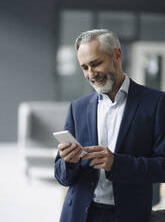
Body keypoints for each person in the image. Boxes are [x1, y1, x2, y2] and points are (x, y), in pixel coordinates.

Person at [54, 29, 165, 222]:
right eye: (85, 67)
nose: (91, 74)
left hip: (130, 215)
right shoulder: (77, 108)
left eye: (96, 64)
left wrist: (117, 163)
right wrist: (68, 162)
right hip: (79, 216)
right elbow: (61, 176)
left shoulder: (155, 103)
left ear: (117, 55)